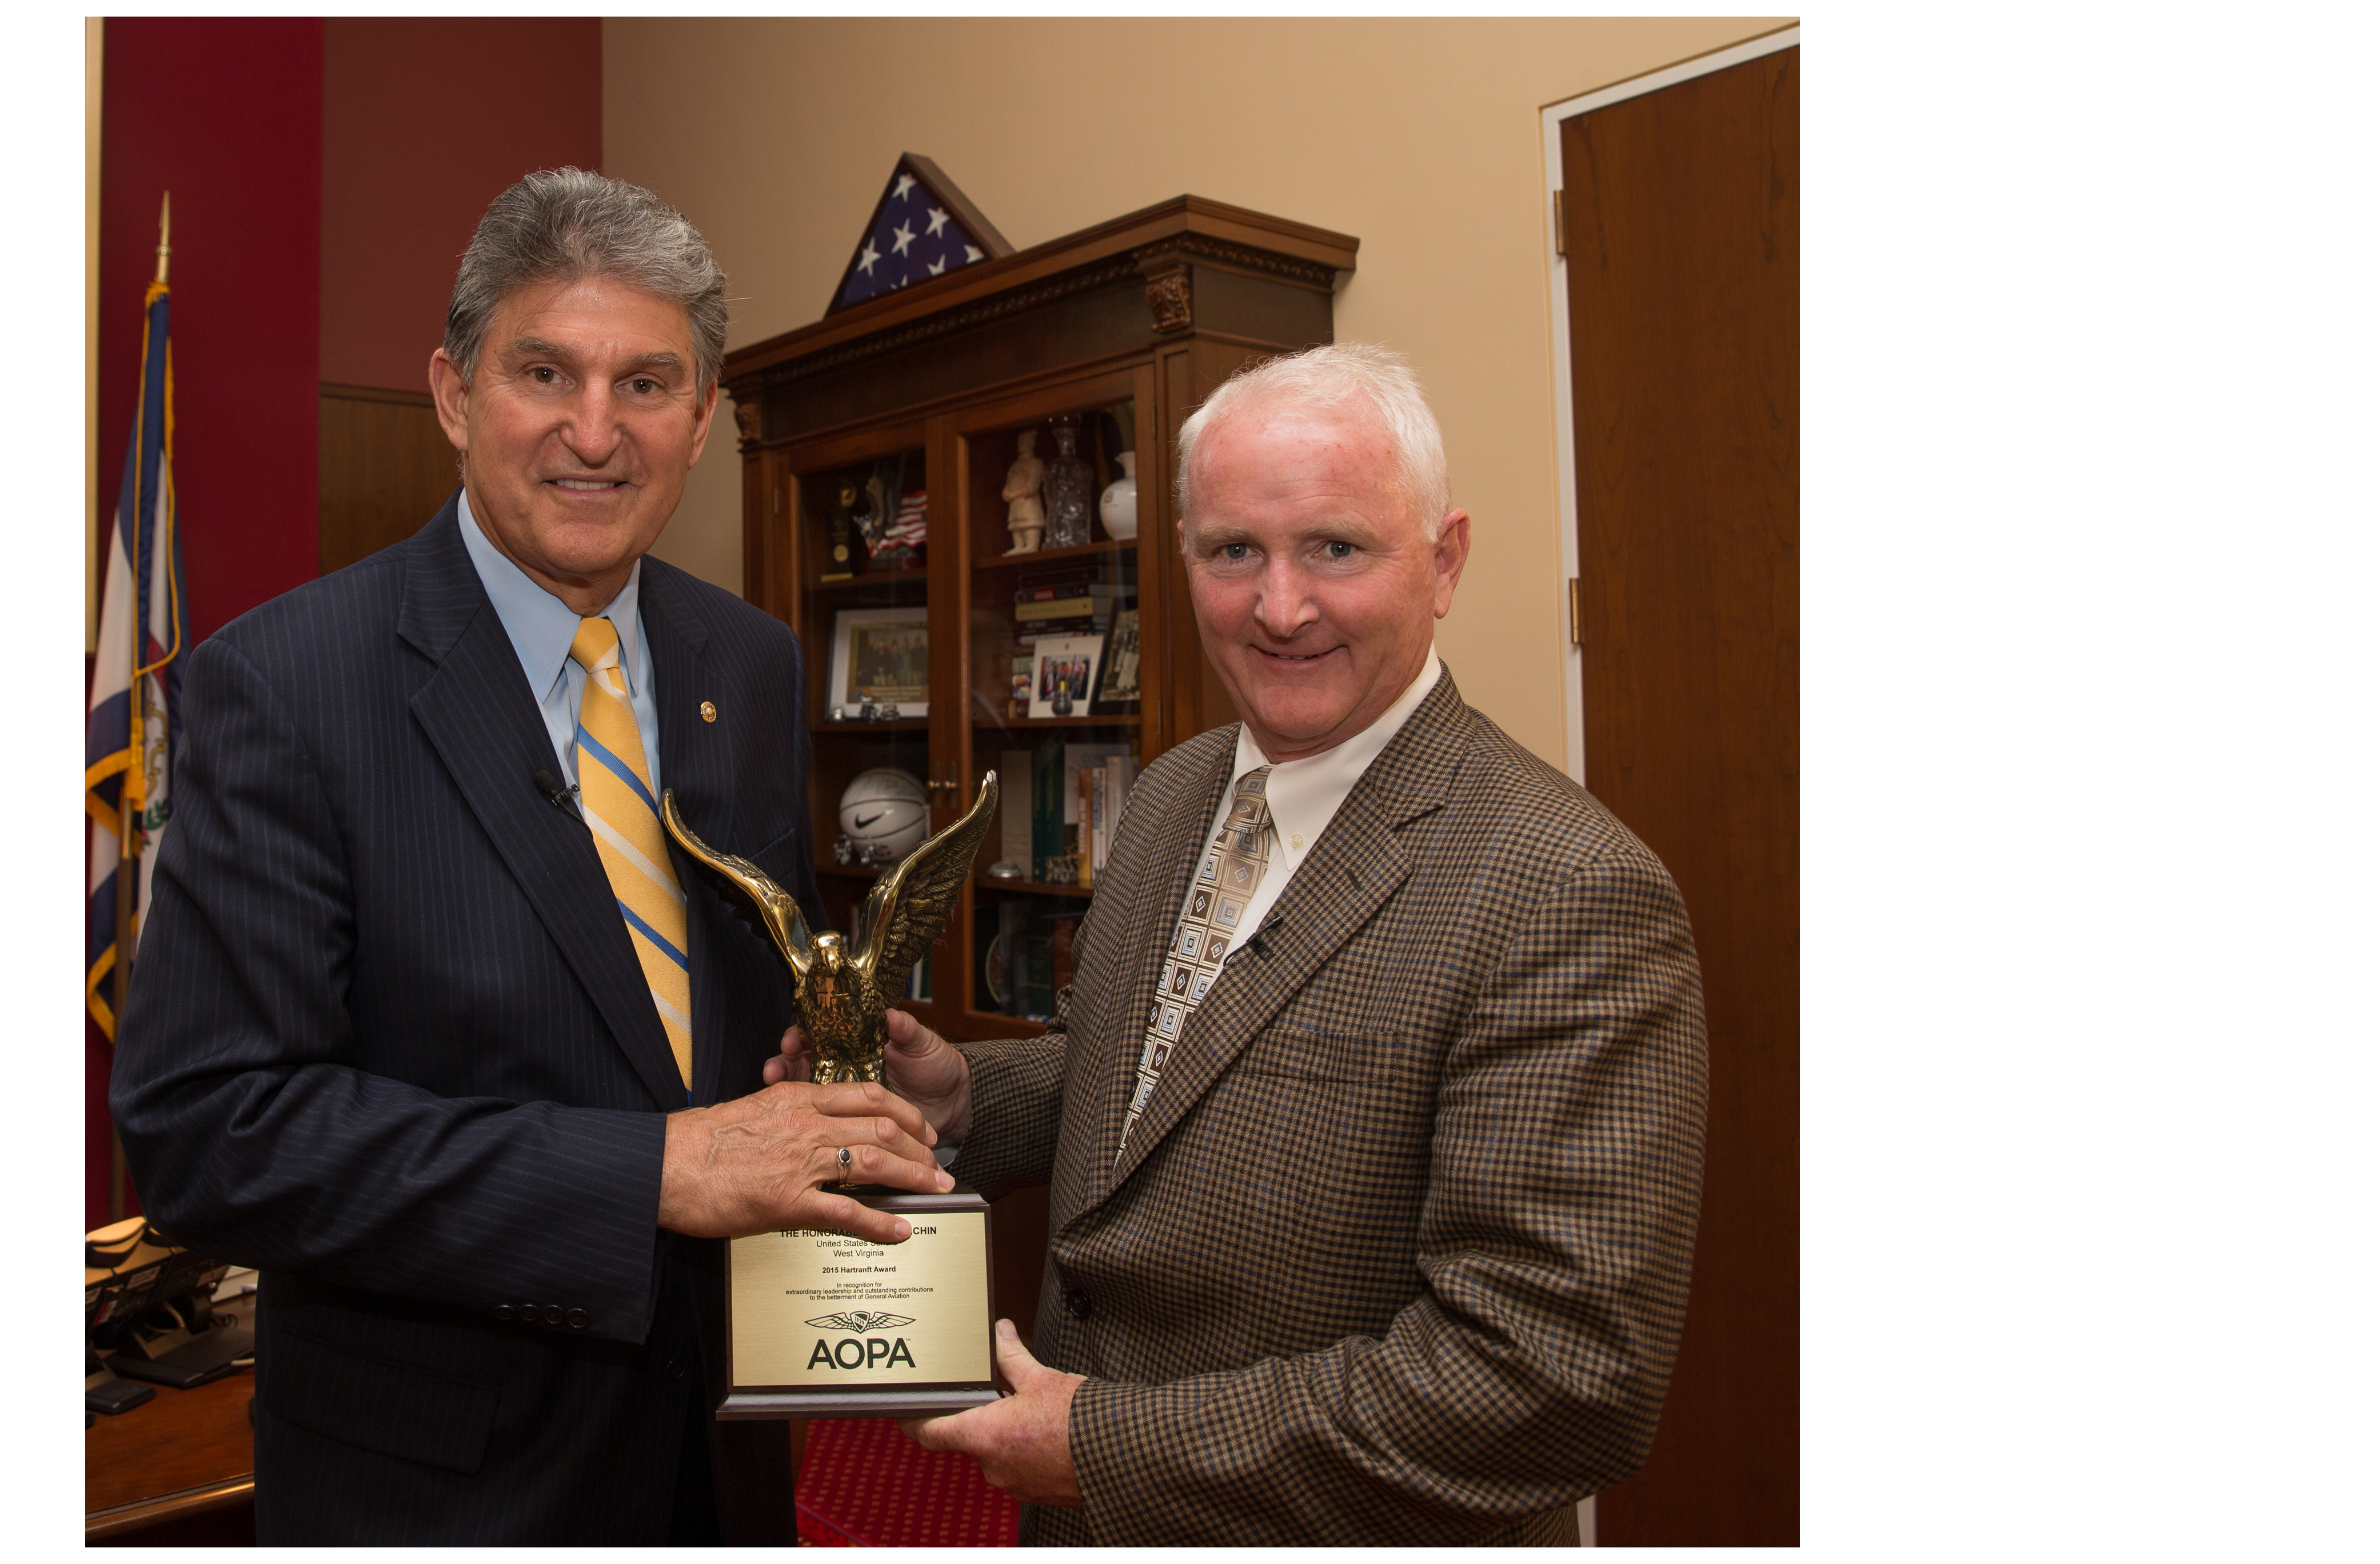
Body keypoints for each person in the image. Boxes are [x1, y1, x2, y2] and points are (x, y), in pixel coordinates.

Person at [110, 169, 952, 1546]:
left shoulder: (747, 659)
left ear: (703, 421)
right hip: (441, 1481)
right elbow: (212, 1130)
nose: (593, 432)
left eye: (647, 383)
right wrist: (650, 1176)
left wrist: (828, 1071)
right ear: (453, 393)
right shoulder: (287, 682)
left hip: (720, 1456)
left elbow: (712, 1019)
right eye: (544, 371)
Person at [770, 343, 1710, 1545]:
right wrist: (957, 1094)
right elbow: (1137, 1076)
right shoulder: (1170, 795)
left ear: (1445, 560)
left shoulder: (1568, 890)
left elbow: (1549, 1381)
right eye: (1234, 553)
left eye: (1335, 547)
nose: (1280, 608)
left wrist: (1107, 1446)